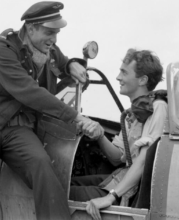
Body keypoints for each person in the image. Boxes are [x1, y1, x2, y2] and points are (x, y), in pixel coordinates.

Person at [0, 2, 94, 220]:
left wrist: (71, 65)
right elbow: (28, 91)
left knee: (43, 169)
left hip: (18, 129)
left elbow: (63, 61)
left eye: (57, 33)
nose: (54, 39)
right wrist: (75, 117)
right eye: (49, 32)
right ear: (31, 28)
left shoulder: (49, 50)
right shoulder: (4, 47)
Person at [69, 49, 168, 220]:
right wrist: (99, 134)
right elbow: (118, 159)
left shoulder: (157, 107)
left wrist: (110, 197)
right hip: (122, 177)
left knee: (61, 191)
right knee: (67, 183)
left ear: (142, 80)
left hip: (132, 189)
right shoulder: (134, 114)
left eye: (124, 72)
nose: (118, 77)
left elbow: (145, 160)